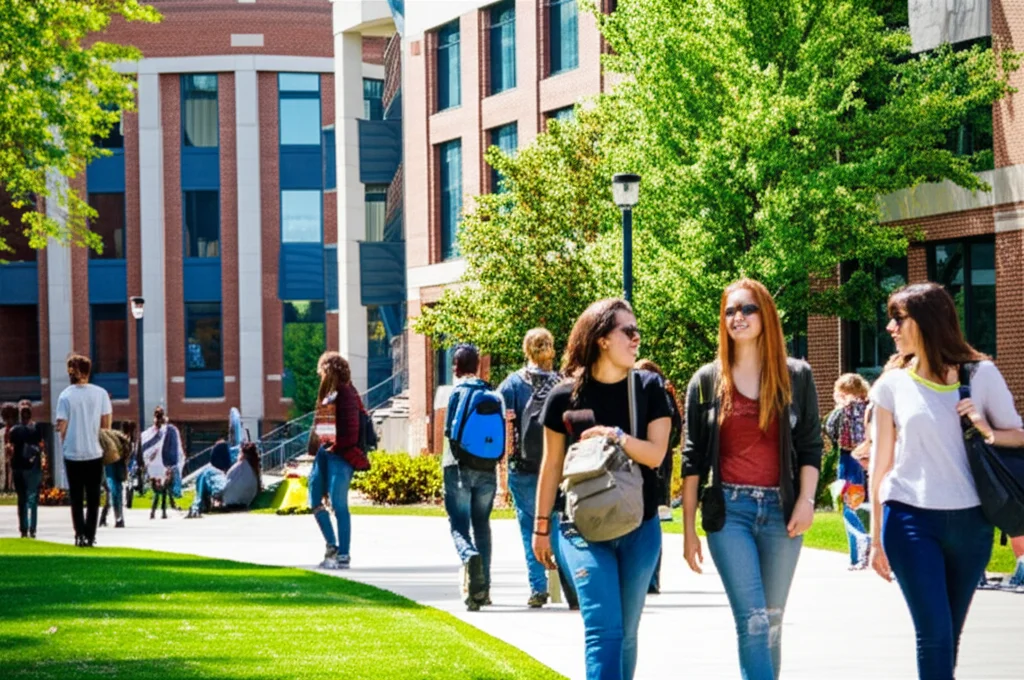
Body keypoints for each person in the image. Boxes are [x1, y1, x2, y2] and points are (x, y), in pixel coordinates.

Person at [868, 282, 1024, 679]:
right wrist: (875, 539)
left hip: (972, 524)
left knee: (949, 634)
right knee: (934, 635)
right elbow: (880, 466)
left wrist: (985, 426)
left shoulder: (980, 374)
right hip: (910, 520)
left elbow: (1017, 436)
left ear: (926, 321)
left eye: (898, 318)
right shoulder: (891, 384)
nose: (890, 327)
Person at [682, 278, 822, 680]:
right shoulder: (707, 381)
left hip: (783, 513)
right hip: (731, 514)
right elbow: (691, 459)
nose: (737, 317)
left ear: (766, 315)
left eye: (747, 309)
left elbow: (811, 447)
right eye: (729, 311)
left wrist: (806, 501)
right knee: (754, 622)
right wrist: (690, 530)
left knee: (772, 624)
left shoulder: (797, 376)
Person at [534, 298, 672, 680]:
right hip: (580, 530)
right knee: (603, 631)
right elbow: (551, 467)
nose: (636, 339)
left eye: (637, 331)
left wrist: (616, 435)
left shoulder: (649, 388)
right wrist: (541, 527)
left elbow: (656, 455)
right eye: (628, 331)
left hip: (639, 527)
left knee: (626, 633)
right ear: (601, 339)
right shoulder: (563, 397)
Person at [497, 328, 562, 608]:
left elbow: (502, 423)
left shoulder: (512, 384)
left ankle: (538, 587)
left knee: (529, 528)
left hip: (522, 467)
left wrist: (501, 477)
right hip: (557, 467)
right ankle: (565, 582)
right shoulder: (562, 382)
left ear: (527, 350)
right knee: (557, 525)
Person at [443, 343, 504, 611]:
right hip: (488, 471)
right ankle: (484, 590)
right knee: (482, 525)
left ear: (456, 367)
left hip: (458, 467)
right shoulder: (493, 393)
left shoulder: (456, 393)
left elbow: (449, 433)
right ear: (478, 366)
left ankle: (469, 557)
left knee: (458, 524)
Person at [307, 351, 365, 570]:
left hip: (342, 455)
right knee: (314, 498)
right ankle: (332, 545)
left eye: (322, 370)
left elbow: (351, 434)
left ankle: (343, 554)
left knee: (339, 504)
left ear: (329, 370)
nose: (320, 374)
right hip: (326, 452)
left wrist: (334, 447)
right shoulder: (330, 394)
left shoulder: (347, 394)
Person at [633, 358, 683, 595]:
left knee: (648, 517)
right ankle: (651, 579)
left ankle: (649, 578)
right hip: (662, 459)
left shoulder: (649, 394)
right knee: (651, 518)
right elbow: (678, 428)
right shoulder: (666, 394)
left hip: (650, 460)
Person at [55, 354, 113, 548]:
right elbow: (106, 425)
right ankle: (90, 534)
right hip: (94, 451)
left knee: (77, 497)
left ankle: (79, 533)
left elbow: (61, 425)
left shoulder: (65, 395)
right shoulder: (101, 394)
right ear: (89, 371)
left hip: (72, 452)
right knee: (94, 497)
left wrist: (64, 442)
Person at [825, 373, 872, 569]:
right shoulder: (870, 406)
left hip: (848, 459)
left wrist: (840, 407)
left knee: (848, 505)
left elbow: (829, 428)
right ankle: (864, 551)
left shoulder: (843, 409)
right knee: (864, 503)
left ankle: (859, 548)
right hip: (868, 459)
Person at [186, 441, 262, 517]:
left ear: (242, 454)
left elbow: (227, 482)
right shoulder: (255, 471)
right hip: (245, 502)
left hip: (230, 500)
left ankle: (198, 505)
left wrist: (219, 496)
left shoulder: (240, 465)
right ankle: (200, 504)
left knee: (207, 473)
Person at [141, 406, 184, 520]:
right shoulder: (170, 431)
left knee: (158, 491)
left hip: (155, 467)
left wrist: (147, 465)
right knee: (164, 490)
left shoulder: (150, 432)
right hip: (164, 464)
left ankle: (154, 512)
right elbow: (176, 449)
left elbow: (145, 450)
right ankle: (162, 512)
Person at [9, 400, 44, 538]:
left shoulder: (14, 430)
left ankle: (24, 528)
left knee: (22, 499)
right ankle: (31, 528)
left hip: (19, 467)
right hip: (32, 466)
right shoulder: (36, 428)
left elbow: (10, 449)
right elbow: (41, 446)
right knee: (32, 498)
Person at [100, 421, 135, 529]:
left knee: (112, 488)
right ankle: (117, 518)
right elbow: (128, 452)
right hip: (116, 458)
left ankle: (114, 518)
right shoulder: (120, 437)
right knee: (115, 488)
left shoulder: (109, 435)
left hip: (111, 458)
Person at [1, 402, 15, 492]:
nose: (9, 419)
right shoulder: (1, 433)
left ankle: (11, 487)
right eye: (7, 416)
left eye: (11, 416)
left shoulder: (19, 431)